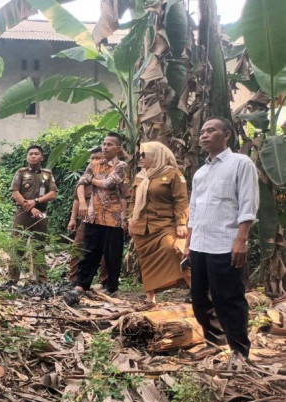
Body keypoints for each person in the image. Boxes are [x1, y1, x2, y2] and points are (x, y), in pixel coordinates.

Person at [183, 117, 259, 363]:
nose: (204, 135)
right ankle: (214, 342)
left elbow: (248, 204)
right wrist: (188, 244)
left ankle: (239, 350)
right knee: (199, 299)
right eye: (202, 131)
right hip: (200, 245)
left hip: (225, 243)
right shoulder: (201, 172)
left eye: (211, 130)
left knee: (229, 299)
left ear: (226, 135)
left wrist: (241, 239)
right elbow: (194, 211)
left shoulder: (240, 163)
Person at [128, 142, 190, 304]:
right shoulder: (141, 176)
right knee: (146, 261)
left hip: (165, 224)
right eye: (139, 155)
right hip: (142, 227)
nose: (140, 158)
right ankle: (150, 298)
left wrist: (181, 222)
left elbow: (181, 200)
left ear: (157, 155)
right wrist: (130, 219)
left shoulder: (173, 174)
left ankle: (196, 289)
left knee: (176, 250)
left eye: (144, 154)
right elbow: (133, 201)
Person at [75, 132, 128, 295]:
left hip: (114, 218)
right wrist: (83, 203)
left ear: (118, 148)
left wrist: (91, 180)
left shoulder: (121, 166)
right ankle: (82, 285)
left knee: (113, 255)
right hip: (94, 215)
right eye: (104, 144)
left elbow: (108, 183)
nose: (105, 147)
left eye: (109, 144)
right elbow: (80, 183)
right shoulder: (94, 164)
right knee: (89, 251)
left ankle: (111, 288)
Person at [6, 144, 57, 284]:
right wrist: (29, 207)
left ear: (42, 157)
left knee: (39, 246)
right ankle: (12, 279)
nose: (33, 156)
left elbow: (52, 193)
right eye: (30, 154)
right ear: (27, 157)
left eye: (36, 153)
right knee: (18, 245)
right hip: (22, 213)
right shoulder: (20, 173)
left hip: (41, 214)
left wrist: (36, 201)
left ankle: (41, 280)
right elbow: (15, 192)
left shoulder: (48, 174)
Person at [67, 147, 108, 285]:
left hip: (106, 221)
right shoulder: (85, 179)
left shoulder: (113, 175)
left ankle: (105, 283)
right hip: (86, 220)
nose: (94, 161)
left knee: (105, 252)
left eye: (98, 158)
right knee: (78, 248)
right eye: (92, 158)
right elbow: (77, 200)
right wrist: (73, 219)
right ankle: (73, 280)